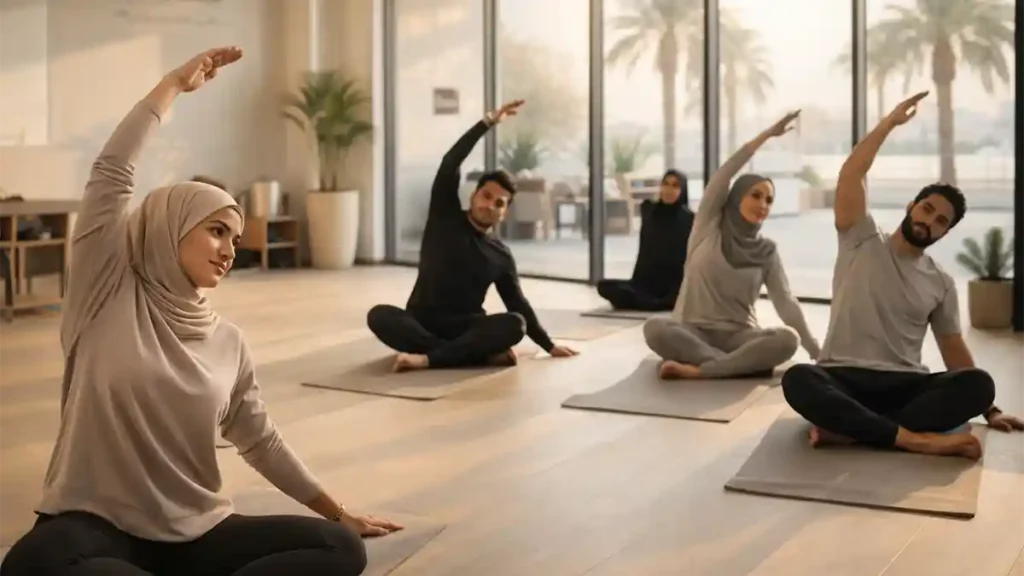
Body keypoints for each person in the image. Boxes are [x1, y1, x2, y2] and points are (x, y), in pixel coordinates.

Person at [0, 47, 401, 576]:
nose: (229, 250)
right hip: (95, 525)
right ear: (172, 226)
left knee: (340, 548)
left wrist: (339, 513)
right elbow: (111, 173)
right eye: (216, 231)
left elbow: (260, 440)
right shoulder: (104, 293)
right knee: (31, 563)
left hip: (195, 533)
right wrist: (172, 85)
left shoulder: (227, 341)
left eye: (235, 238)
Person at [780, 91, 1024, 460]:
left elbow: (952, 347)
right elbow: (851, 173)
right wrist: (889, 123)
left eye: (940, 221)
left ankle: (853, 431)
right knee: (798, 379)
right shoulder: (859, 236)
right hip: (841, 376)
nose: (929, 221)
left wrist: (990, 410)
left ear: (945, 232)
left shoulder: (941, 282)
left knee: (979, 384)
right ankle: (915, 439)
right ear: (912, 206)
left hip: (904, 384)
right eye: (927, 209)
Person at [366, 100, 579, 372]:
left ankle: (429, 358)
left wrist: (548, 345)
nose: (490, 205)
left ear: (505, 213)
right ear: (474, 195)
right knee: (379, 315)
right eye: (486, 196)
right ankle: (465, 355)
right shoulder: (444, 217)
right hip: (421, 323)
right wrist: (486, 123)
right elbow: (450, 163)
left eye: (499, 203)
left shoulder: (500, 255)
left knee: (515, 323)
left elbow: (517, 303)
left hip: (466, 327)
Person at [643, 111, 821, 380]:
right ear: (737, 196)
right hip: (692, 332)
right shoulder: (708, 226)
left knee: (787, 339)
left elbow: (786, 303)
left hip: (740, 337)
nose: (762, 205)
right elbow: (724, 174)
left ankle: (702, 369)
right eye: (755, 195)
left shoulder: (767, 251)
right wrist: (766, 136)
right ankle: (735, 365)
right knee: (655, 328)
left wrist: (816, 350)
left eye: (769, 200)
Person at [597, 169, 694, 311]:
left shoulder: (689, 219)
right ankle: (650, 302)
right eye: (666, 184)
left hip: (671, 285)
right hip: (644, 283)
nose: (669, 189)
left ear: (682, 191)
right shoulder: (650, 211)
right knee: (604, 286)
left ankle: (655, 302)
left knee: (675, 297)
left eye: (675, 186)